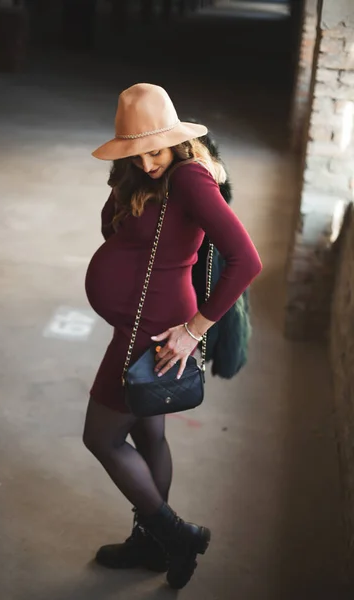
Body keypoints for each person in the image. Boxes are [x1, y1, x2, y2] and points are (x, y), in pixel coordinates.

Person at [83, 83, 262, 589]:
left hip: (156, 326)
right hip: (140, 318)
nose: (147, 163)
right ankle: (152, 546)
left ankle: (175, 535)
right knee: (148, 432)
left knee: (100, 436)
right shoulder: (140, 173)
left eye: (154, 150)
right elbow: (111, 229)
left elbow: (247, 261)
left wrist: (192, 330)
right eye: (135, 154)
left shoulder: (189, 178)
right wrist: (126, 182)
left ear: (177, 141)